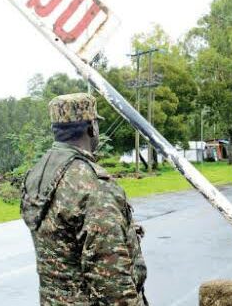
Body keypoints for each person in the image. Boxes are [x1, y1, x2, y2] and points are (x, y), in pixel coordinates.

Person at [20, 93, 148, 305]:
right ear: (92, 128)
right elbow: (111, 280)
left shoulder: (38, 174)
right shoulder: (92, 184)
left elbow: (63, 238)